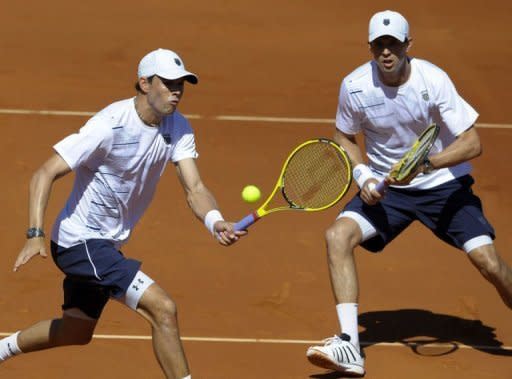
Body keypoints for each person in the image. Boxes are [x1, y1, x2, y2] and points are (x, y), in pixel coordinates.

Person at [0, 48, 245, 379]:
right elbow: (44, 173)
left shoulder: (179, 127)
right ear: (144, 83)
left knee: (75, 331)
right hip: (80, 241)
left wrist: (214, 221)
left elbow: (195, 188)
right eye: (168, 83)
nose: (176, 92)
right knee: (163, 308)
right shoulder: (109, 125)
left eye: (181, 85)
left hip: (104, 245)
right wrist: (34, 234)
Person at [306, 10, 512, 377]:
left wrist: (427, 165)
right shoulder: (354, 86)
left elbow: (472, 143)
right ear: (370, 47)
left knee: (489, 263)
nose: (386, 52)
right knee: (337, 236)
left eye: (394, 44)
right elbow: (344, 136)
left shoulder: (433, 80)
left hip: (443, 186)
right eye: (379, 45)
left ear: (408, 45)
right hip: (389, 191)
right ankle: (350, 345)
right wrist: (364, 175)